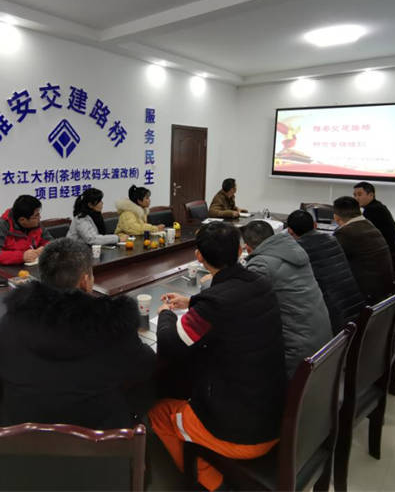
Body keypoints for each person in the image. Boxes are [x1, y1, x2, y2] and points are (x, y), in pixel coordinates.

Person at [150, 222, 286, 492]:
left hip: (241, 434)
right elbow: (230, 307)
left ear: (199, 256)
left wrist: (165, 313)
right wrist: (192, 303)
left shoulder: (215, 303)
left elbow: (170, 344)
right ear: (240, 251)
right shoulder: (260, 284)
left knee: (158, 411)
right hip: (275, 416)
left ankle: (211, 483)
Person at [0, 238, 156, 430]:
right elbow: (144, 367)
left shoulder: (8, 323)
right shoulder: (111, 327)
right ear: (85, 280)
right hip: (99, 440)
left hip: (21, 438)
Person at [240, 220, 332, 379]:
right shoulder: (293, 250)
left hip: (297, 352)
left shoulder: (262, 264)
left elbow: (241, 302)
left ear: (247, 248)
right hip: (322, 341)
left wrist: (212, 282)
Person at [286, 209, 366, 335]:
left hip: (336, 321)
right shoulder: (332, 240)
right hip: (357, 310)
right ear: (315, 225)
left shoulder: (299, 250)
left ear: (290, 231)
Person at [333, 196, 394, 304]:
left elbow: (329, 260)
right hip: (384, 291)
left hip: (367, 296)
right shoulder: (369, 225)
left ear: (336, 218)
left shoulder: (345, 233)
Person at [0, 195, 51, 265]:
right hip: (3, 269)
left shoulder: (36, 224)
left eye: (39, 214)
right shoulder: (1, 226)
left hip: (30, 266)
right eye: (36, 216)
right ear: (22, 220)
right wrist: (22, 256)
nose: (40, 217)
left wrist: (44, 249)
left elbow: (50, 242)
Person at [353, 181, 395, 260]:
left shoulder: (373, 209)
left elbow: (361, 232)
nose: (356, 198)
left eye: (359, 194)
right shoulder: (377, 206)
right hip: (389, 252)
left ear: (371, 195)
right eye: (355, 195)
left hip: (386, 256)